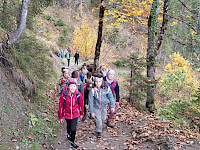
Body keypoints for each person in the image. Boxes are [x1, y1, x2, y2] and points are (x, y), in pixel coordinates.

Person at [58, 79, 84, 149]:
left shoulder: (78, 95)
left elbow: (81, 105)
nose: (73, 88)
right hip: (67, 114)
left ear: (76, 87)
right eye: (71, 86)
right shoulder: (64, 96)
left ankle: (72, 141)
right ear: (68, 87)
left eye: (74, 86)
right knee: (69, 127)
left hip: (75, 114)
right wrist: (60, 117)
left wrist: (81, 114)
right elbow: (61, 106)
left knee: (73, 129)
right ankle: (68, 134)